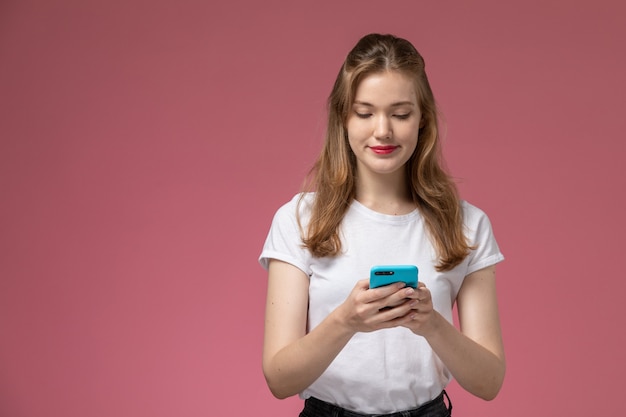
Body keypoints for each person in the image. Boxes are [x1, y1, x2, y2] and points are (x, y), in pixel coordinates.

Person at [259, 33, 505, 417]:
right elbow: (278, 378)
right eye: (365, 112)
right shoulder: (298, 220)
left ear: (422, 119)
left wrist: (431, 324)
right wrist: (346, 320)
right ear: (343, 117)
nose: (383, 130)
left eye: (401, 113)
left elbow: (489, 382)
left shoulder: (466, 225)